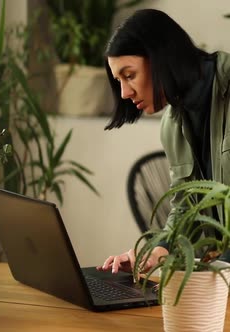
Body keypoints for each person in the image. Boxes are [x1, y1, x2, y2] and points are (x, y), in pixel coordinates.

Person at [96, 9, 230, 276]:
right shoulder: (171, 124)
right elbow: (185, 206)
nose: (124, 93)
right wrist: (156, 251)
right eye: (118, 81)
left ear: (160, 58)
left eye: (129, 75)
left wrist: (217, 269)